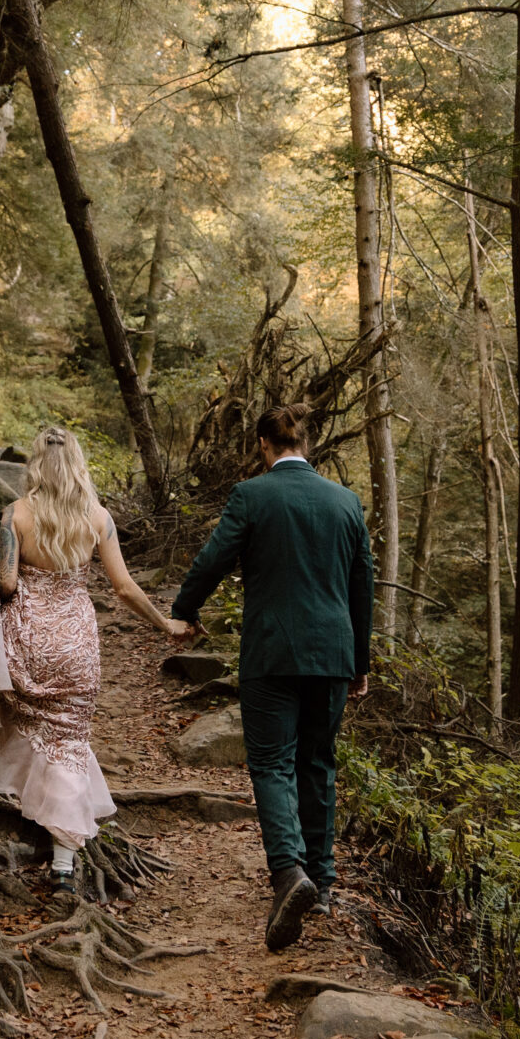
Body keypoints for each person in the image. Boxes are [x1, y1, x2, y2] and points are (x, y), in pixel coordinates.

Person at [0, 426, 191, 888]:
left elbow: (7, 585)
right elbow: (123, 587)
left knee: (35, 731)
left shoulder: (15, 514)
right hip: (76, 641)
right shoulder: (98, 517)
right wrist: (165, 624)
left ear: (35, 464)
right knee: (69, 741)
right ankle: (62, 860)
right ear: (78, 463)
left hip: (29, 638)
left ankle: (44, 826)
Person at [169, 401, 372, 951]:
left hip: (272, 653)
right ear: (306, 444)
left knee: (271, 763)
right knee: (317, 762)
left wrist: (185, 610)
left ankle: (289, 872)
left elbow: (213, 559)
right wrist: (361, 662)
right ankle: (323, 882)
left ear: (265, 446)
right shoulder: (347, 502)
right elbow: (361, 587)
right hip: (333, 654)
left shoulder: (252, 495)